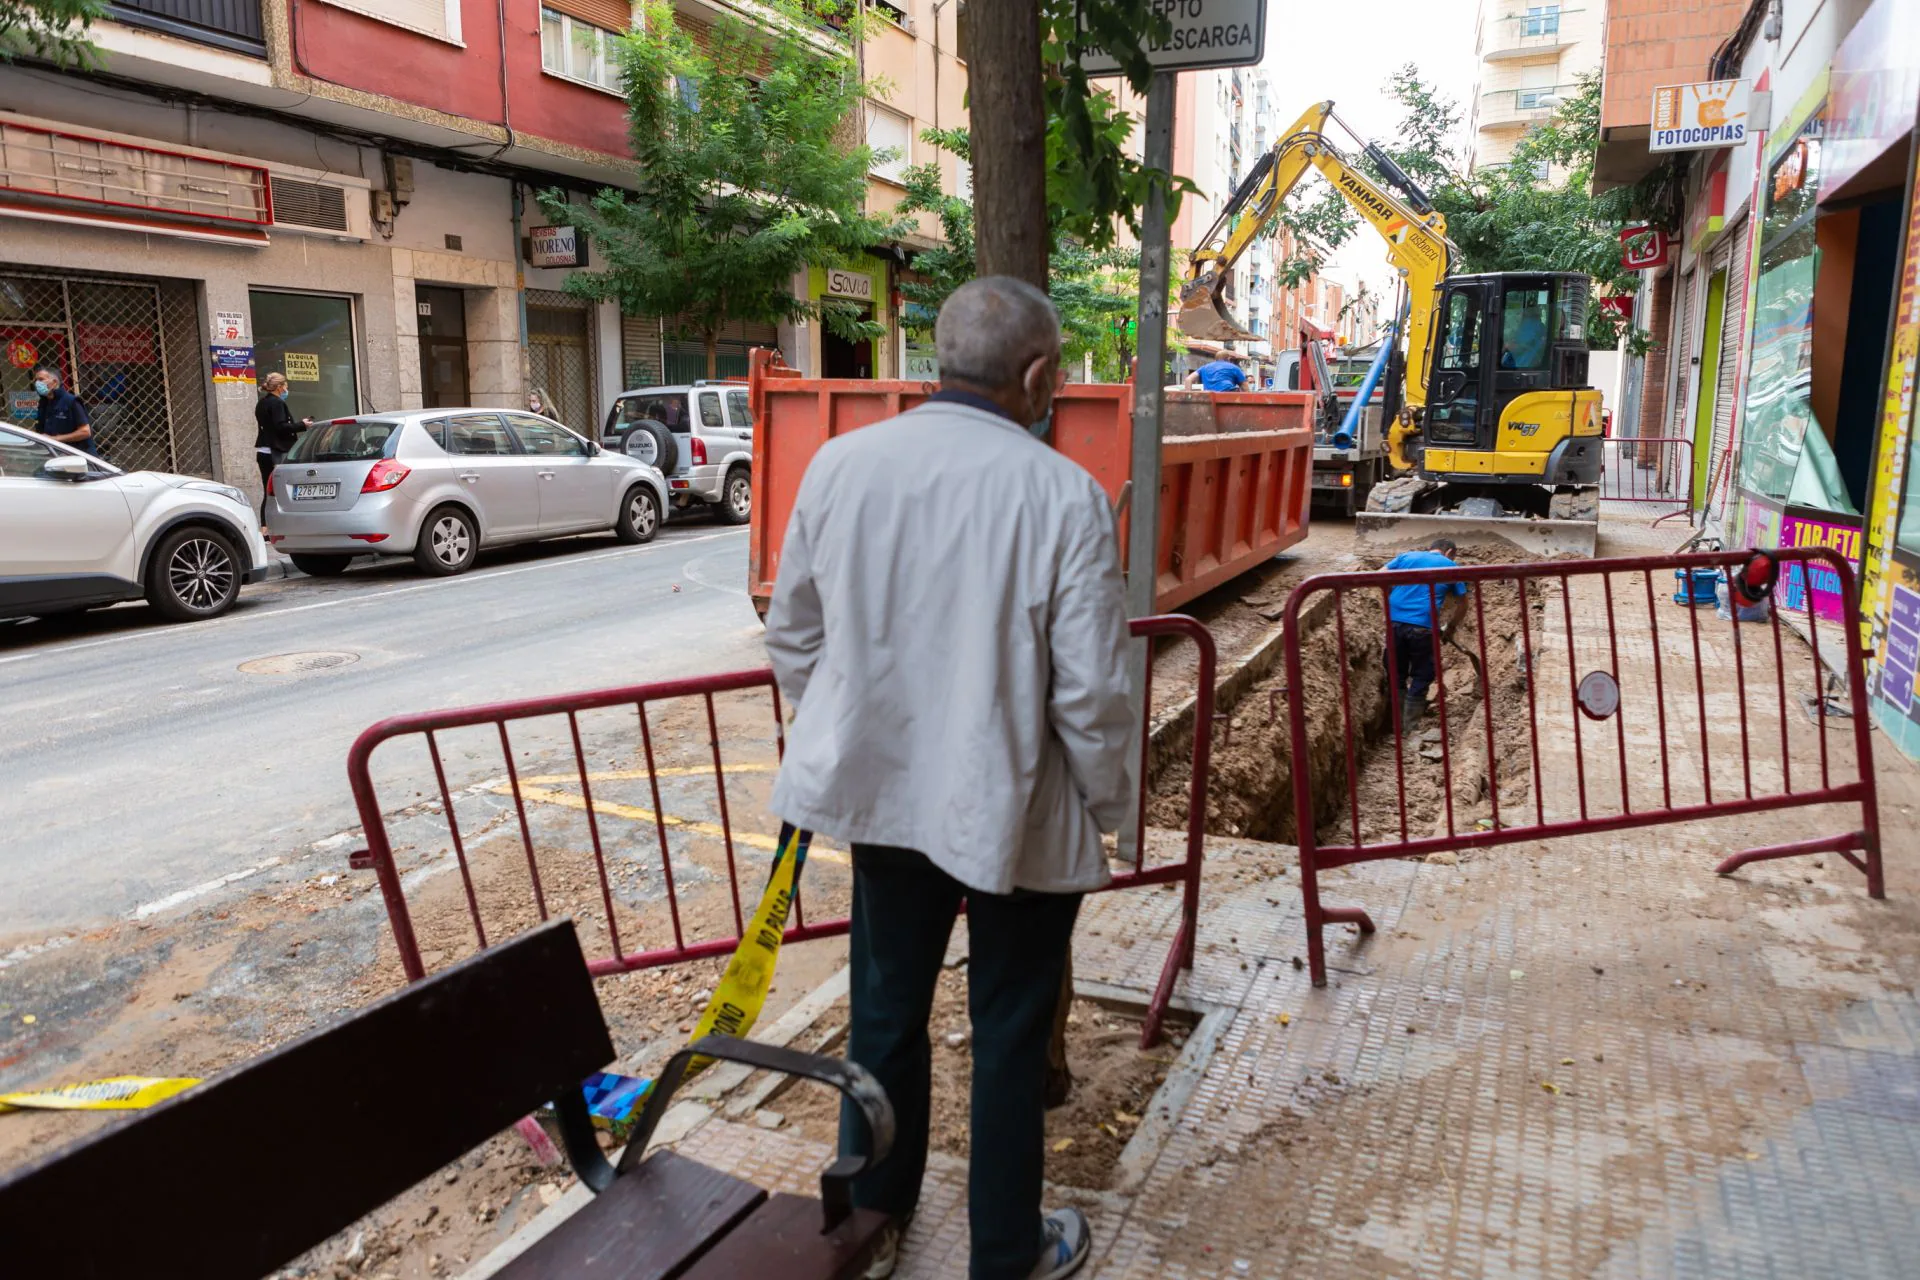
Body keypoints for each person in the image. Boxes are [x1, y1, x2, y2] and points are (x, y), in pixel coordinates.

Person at [766, 276, 1132, 1280]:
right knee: (1009, 1030)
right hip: (1018, 809)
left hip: (885, 803)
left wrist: (858, 730)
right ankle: (1004, 1251)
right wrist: (1117, 811)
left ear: (942, 358)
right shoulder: (1063, 494)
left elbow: (793, 633)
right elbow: (1093, 692)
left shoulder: (841, 466)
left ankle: (874, 1222)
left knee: (885, 1015)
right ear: (1038, 375)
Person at [1382, 537, 1469, 726]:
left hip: (1394, 622)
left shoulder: (1406, 556)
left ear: (1430, 549)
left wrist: (1395, 595)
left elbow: (1379, 575)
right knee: (1424, 672)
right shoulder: (1451, 566)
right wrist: (1451, 627)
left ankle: (1395, 724)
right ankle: (1409, 726)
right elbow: (1463, 603)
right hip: (1423, 625)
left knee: (1396, 672)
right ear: (1449, 553)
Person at [254, 372, 312, 526]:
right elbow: (281, 427)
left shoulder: (262, 403)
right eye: (285, 386)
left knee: (268, 490)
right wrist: (302, 424)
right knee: (280, 489)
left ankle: (265, 526)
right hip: (276, 451)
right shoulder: (277, 403)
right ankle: (279, 524)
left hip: (263, 451)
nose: (287, 389)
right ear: (279, 387)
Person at [33, 366, 94, 455]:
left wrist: (55, 439)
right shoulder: (44, 403)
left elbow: (85, 432)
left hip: (79, 457)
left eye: (41, 379)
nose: (37, 383)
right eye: (36, 380)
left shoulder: (71, 401)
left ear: (54, 382)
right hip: (55, 455)